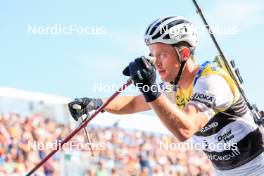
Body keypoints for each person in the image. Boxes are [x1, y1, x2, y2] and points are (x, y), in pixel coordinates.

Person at [68, 16, 264, 175]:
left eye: (162, 54)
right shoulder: (176, 88)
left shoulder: (211, 82)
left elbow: (185, 129)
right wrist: (96, 103)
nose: (156, 62)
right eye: (152, 54)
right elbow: (135, 103)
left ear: (184, 53)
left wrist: (150, 89)